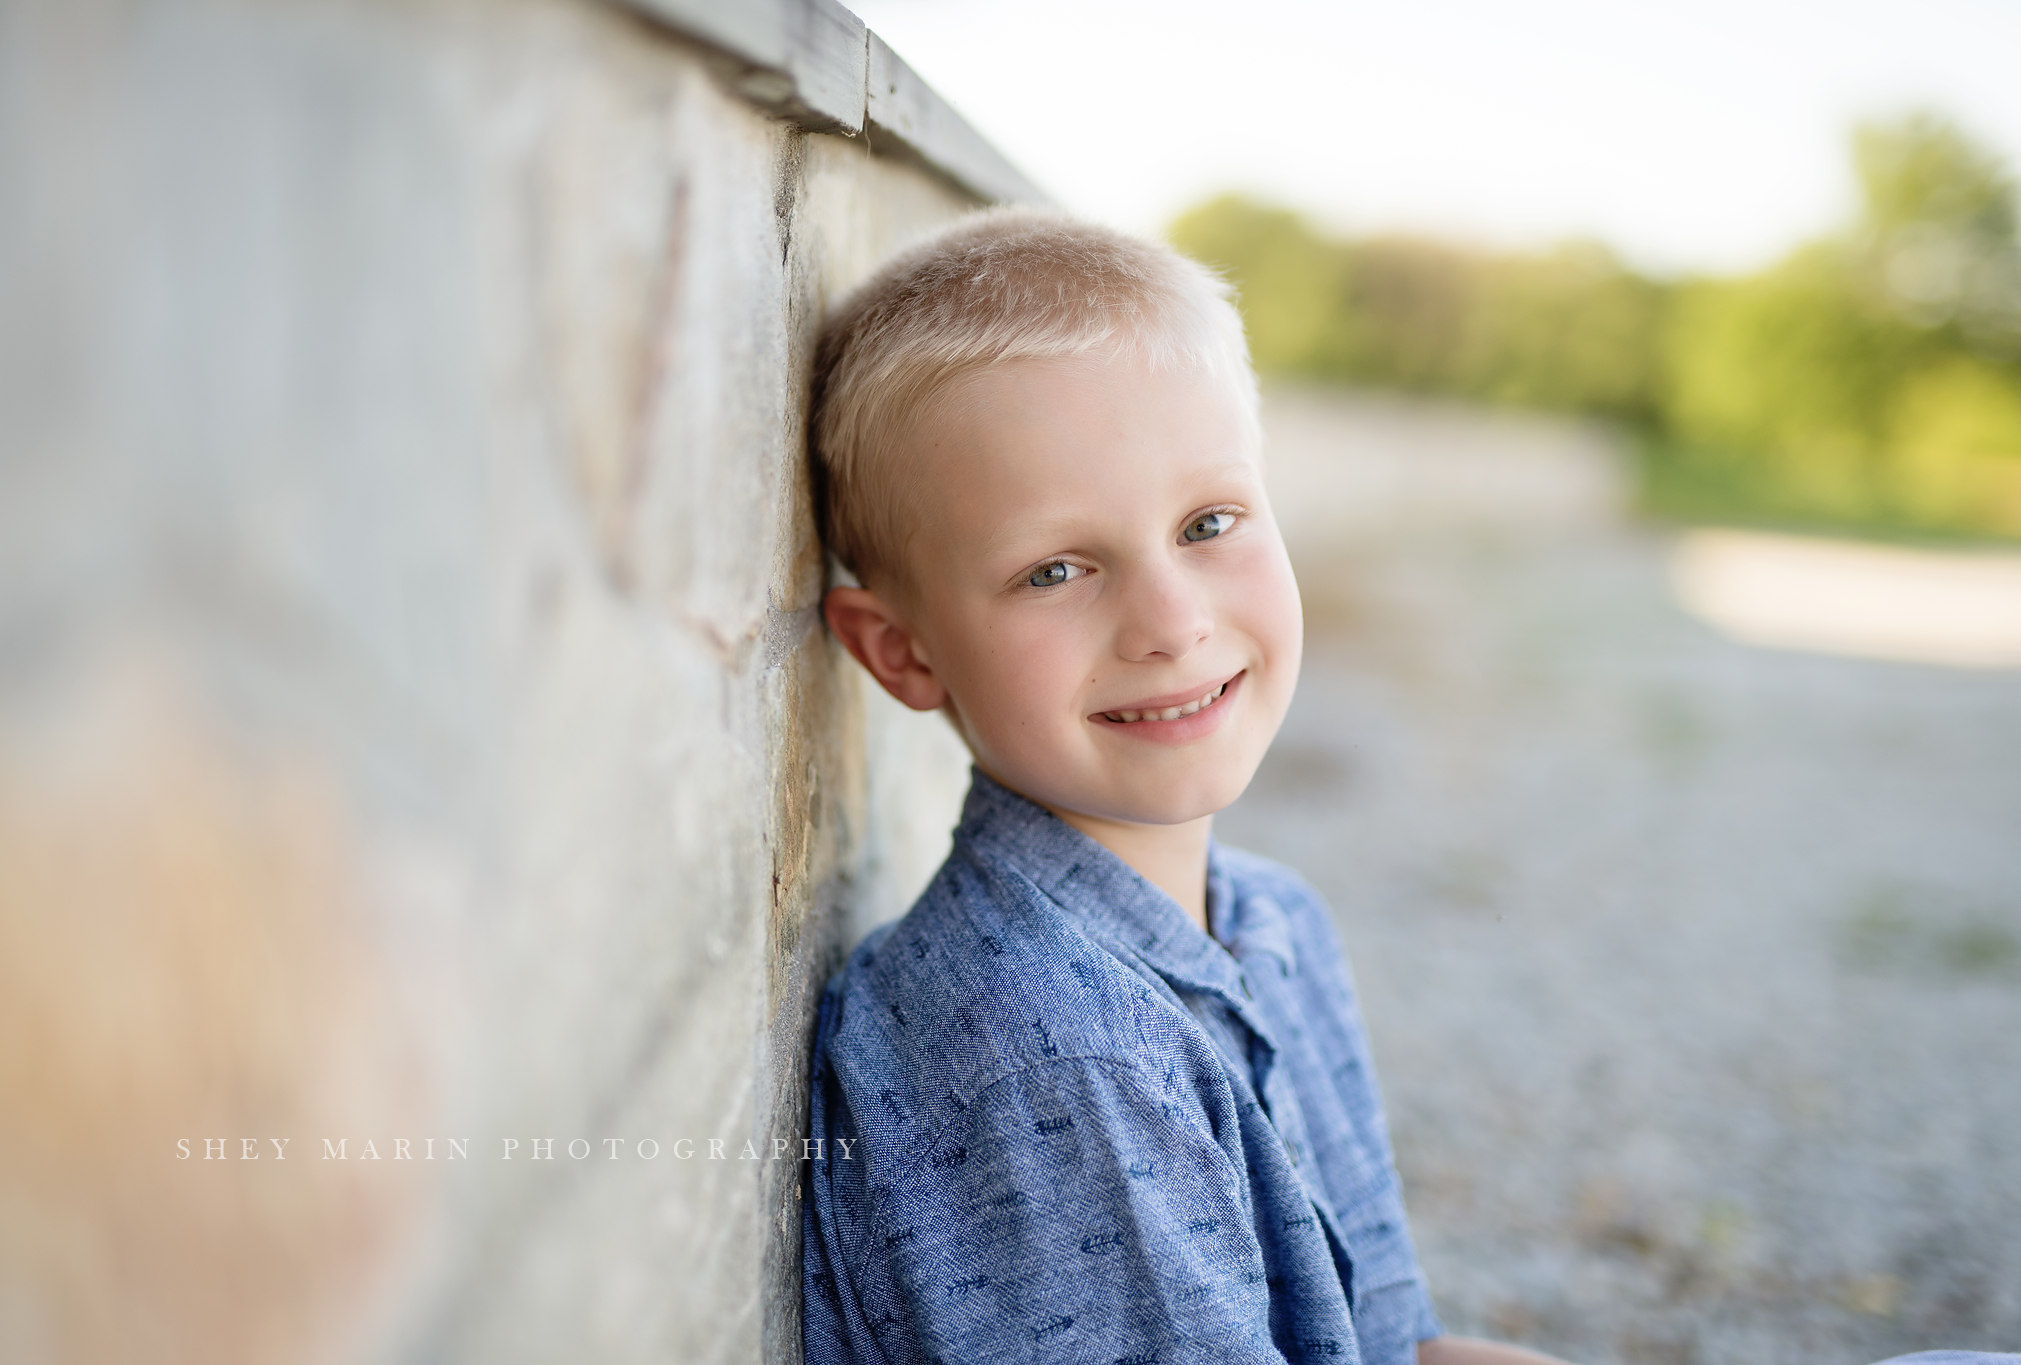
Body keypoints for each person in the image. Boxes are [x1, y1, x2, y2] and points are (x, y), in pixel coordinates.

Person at [796, 209, 2017, 1365]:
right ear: (899, 650)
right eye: (1055, 568)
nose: (1170, 620)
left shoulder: (1271, 924)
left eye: (1209, 521)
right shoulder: (1051, 1055)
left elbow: (1389, 1345)